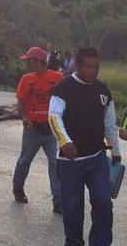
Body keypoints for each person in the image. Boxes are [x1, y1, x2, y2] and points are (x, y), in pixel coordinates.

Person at [49, 47, 121, 246]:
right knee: (72, 208)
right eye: (88, 67)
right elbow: (54, 116)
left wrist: (115, 151)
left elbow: (110, 123)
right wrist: (65, 141)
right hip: (70, 162)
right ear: (76, 65)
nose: (93, 71)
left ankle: (101, 242)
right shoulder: (63, 88)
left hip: (97, 158)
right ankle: (73, 242)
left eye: (96, 66)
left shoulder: (103, 90)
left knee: (104, 203)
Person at [11, 47, 64, 214]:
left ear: (37, 61)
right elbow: (20, 103)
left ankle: (58, 200)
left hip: (51, 130)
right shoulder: (26, 80)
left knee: (55, 164)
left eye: (28, 60)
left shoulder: (57, 78)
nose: (26, 63)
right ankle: (18, 188)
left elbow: (64, 100)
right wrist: (24, 118)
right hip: (32, 128)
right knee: (24, 161)